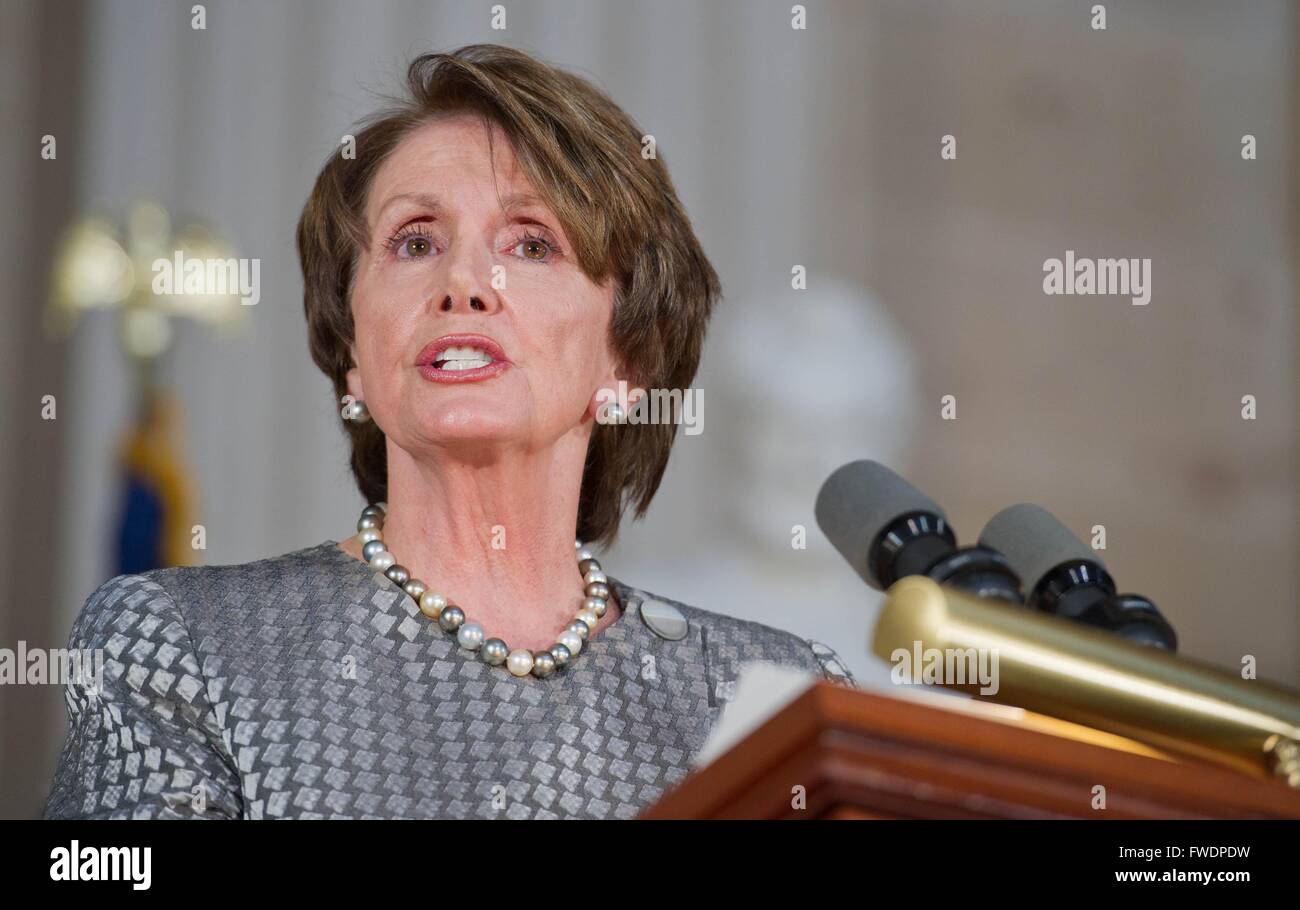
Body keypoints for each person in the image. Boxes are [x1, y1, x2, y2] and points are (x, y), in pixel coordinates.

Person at [44, 44, 855, 821]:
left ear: (628, 362)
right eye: (416, 242)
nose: (464, 282)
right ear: (354, 353)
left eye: (531, 244)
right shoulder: (184, 646)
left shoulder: (774, 695)